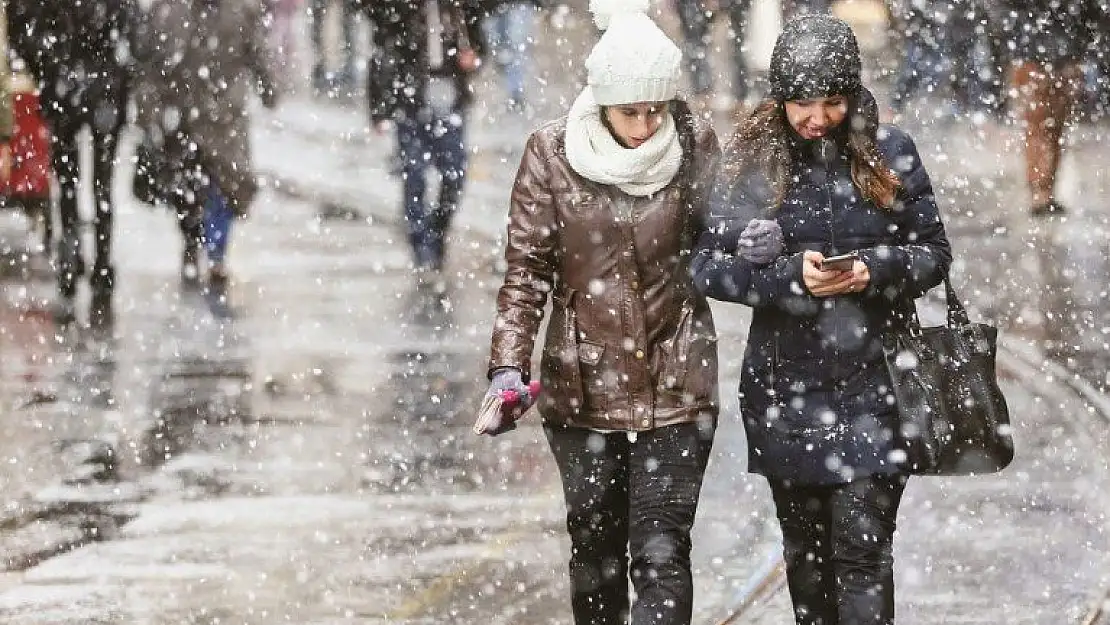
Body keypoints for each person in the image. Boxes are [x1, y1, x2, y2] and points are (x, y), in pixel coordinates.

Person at [692, 15, 952, 625]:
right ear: (779, 99)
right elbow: (706, 266)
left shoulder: (893, 153)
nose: (815, 117)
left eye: (831, 101)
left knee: (863, 555)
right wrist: (788, 279)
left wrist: (872, 270)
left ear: (853, 95)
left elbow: (934, 254)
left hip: (879, 386)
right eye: (801, 102)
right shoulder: (753, 162)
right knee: (807, 563)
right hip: (786, 392)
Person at [483, 1, 729, 622]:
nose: (646, 126)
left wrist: (748, 243)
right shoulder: (551, 152)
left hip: (678, 378)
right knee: (595, 549)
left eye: (657, 110)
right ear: (600, 103)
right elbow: (527, 272)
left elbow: (722, 241)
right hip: (582, 383)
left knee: (661, 547)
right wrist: (507, 368)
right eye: (631, 112)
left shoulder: (696, 141)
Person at [133, 0, 277, 314]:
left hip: (200, 113)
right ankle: (211, 251)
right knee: (214, 186)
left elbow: (151, 64)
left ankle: (206, 249)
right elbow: (152, 65)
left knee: (210, 186)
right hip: (206, 112)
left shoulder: (172, 10)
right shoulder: (180, 11)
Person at [7, 0, 136, 329]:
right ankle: (101, 264)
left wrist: (47, 66)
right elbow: (131, 29)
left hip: (65, 83)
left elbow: (24, 26)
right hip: (100, 86)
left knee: (70, 181)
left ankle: (73, 258)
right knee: (99, 184)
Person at [366, 0, 484, 278]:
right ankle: (422, 247)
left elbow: (479, 46)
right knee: (414, 175)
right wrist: (377, 109)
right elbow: (381, 52)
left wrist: (473, 59)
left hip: (450, 99)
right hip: (410, 99)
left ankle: (438, 231)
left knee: (454, 173)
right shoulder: (397, 10)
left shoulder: (460, 9)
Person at [992, 0, 1103, 216]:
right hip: (1042, 52)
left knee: (1050, 128)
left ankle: (1044, 191)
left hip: (1049, 50)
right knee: (1043, 127)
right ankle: (1041, 191)